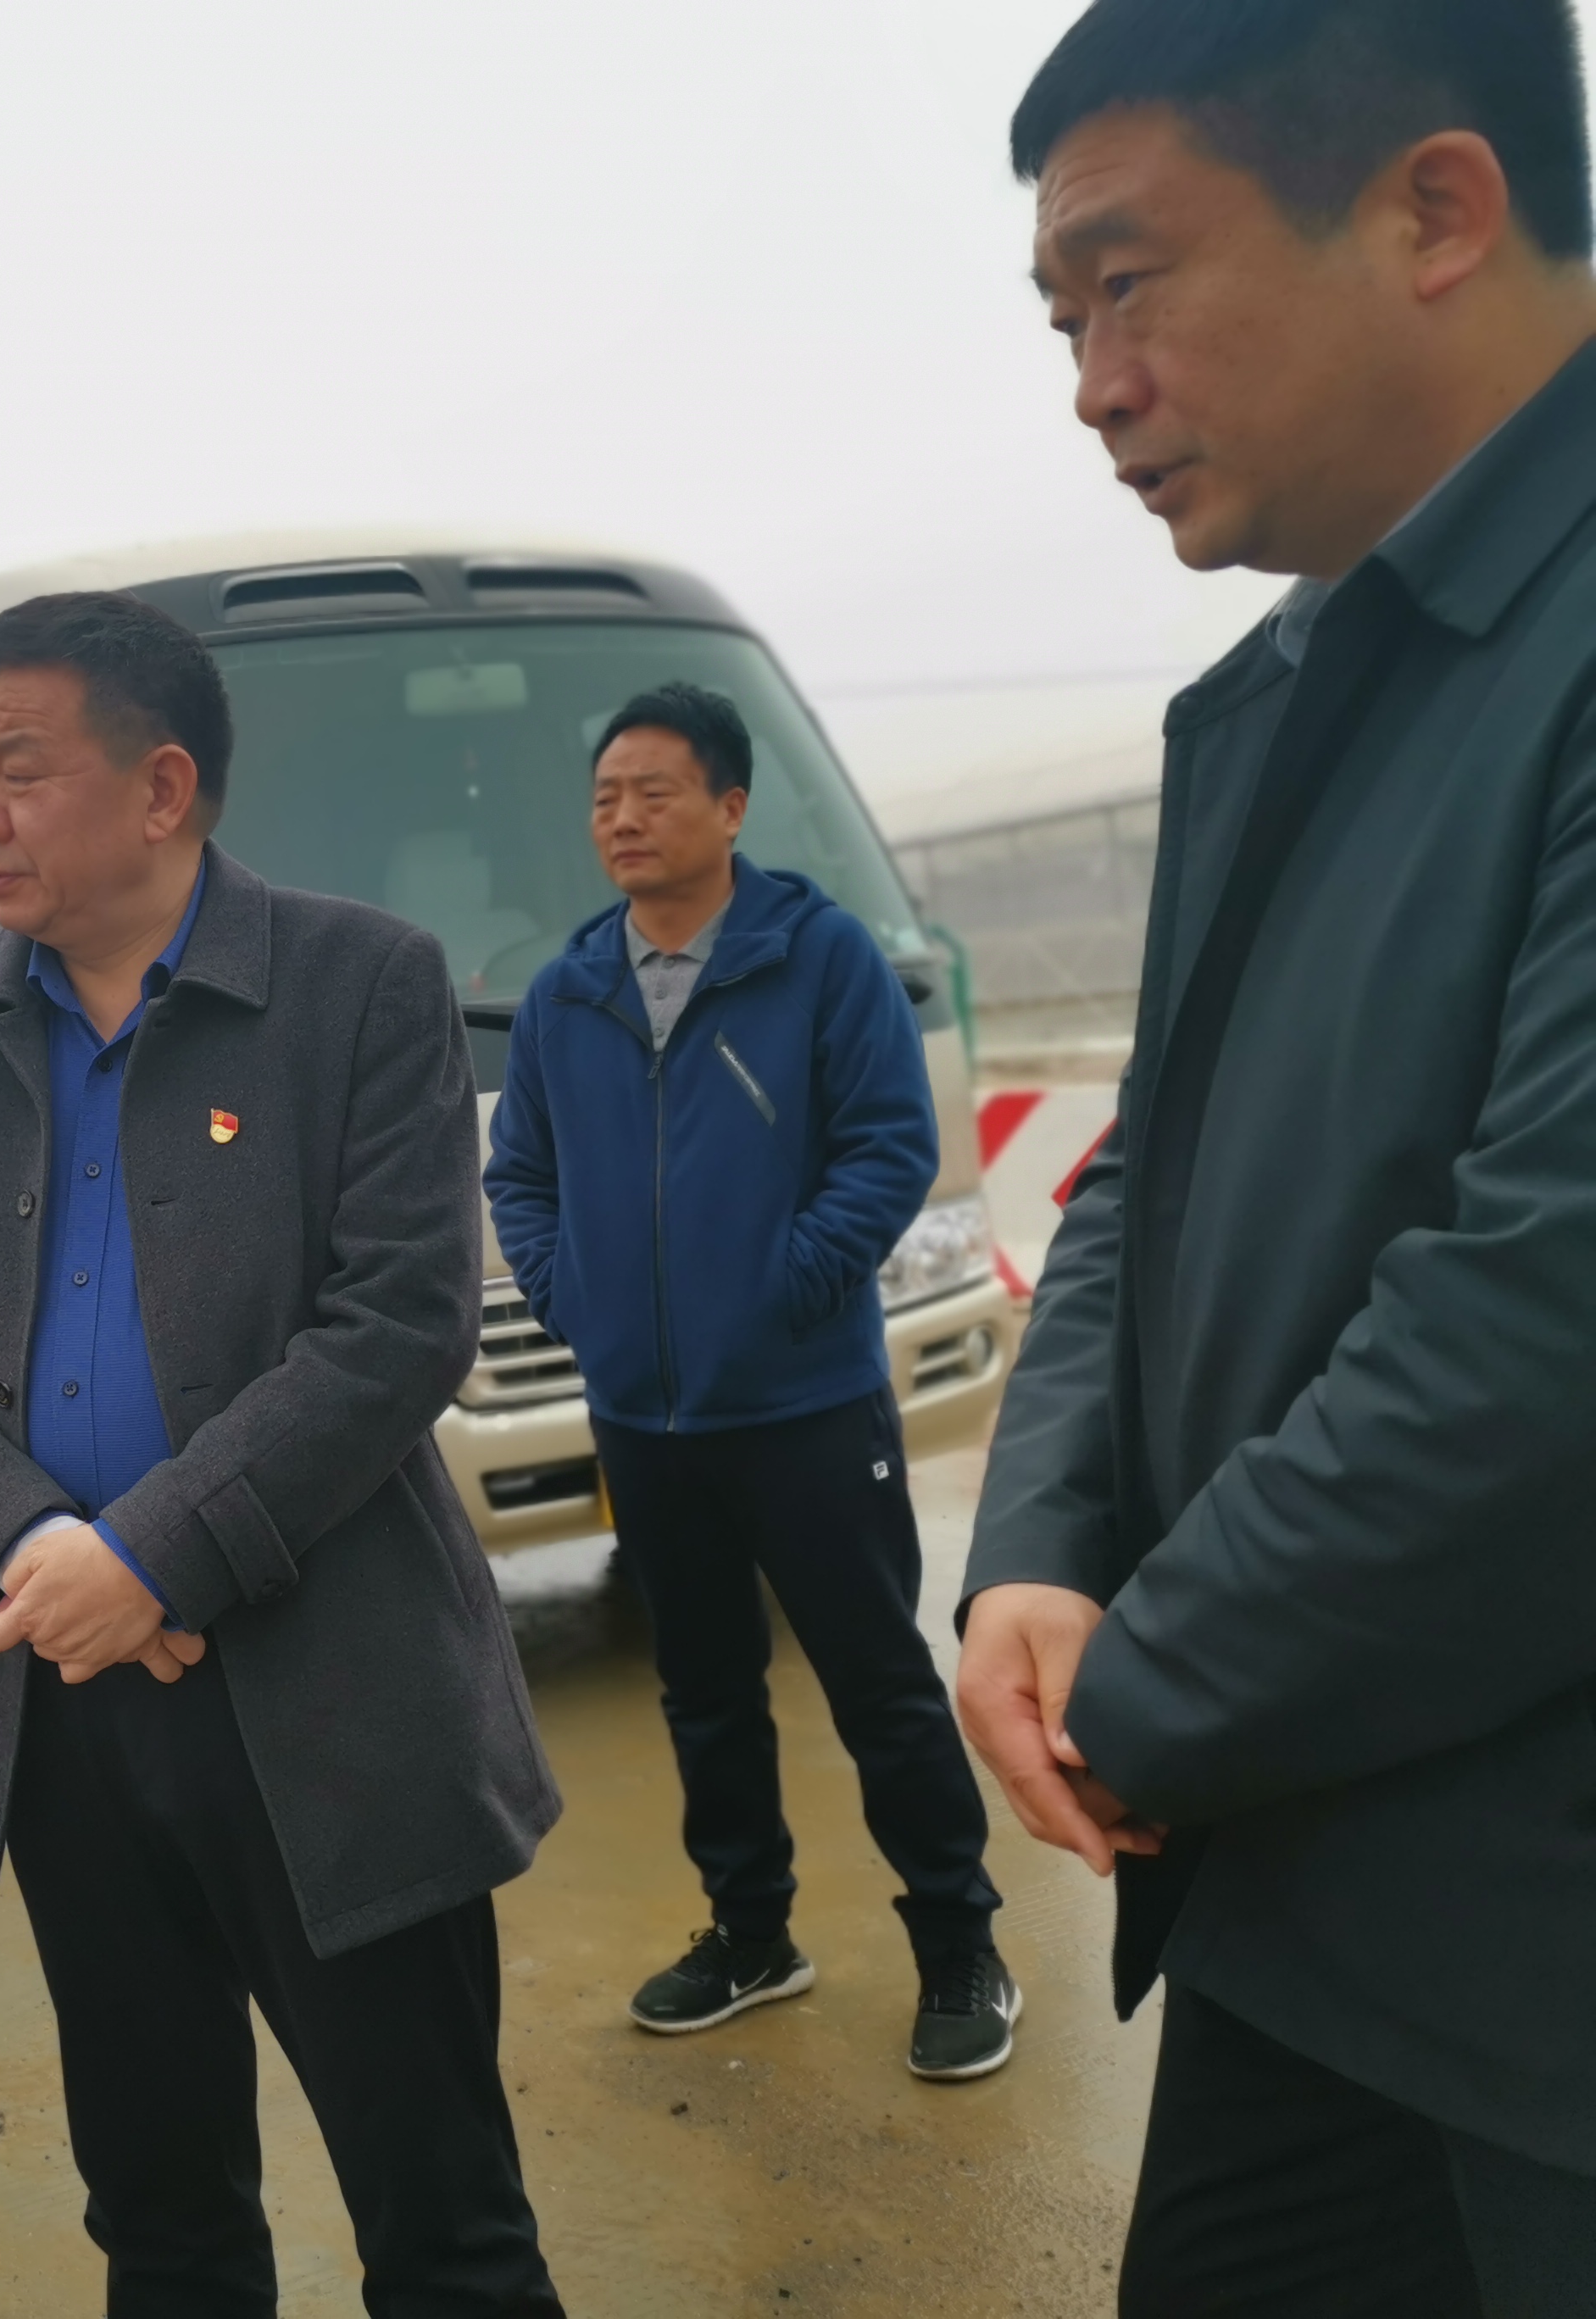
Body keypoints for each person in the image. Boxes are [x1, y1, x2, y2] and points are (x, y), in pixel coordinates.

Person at [964, 0, 1596, 2305]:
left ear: (1435, 209)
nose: (1092, 385)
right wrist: (1036, 1552)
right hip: (1298, 1896)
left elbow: (1541, 1334)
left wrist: (1135, 1691)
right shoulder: (1289, 684)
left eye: (1127, 281)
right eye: (1061, 319)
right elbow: (1149, 1166)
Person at [0, 592, 566, 2317]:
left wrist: (151, 1554)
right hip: (57, 1699)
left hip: (328, 1694)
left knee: (444, 2227)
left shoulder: (358, 983)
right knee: (160, 2222)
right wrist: (30, 1546)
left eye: (18, 771)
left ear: (162, 789)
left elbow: (398, 1324)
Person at [482, 684, 1015, 2081]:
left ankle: (960, 1942)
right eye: (605, 797)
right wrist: (576, 1299)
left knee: (877, 1683)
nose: (622, 818)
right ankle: (751, 1935)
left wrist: (789, 1288)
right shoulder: (567, 993)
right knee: (704, 1690)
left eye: (654, 792)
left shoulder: (819, 958)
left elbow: (890, 1148)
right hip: (645, 1420)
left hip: (806, 1409)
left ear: (730, 807)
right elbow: (519, 1174)